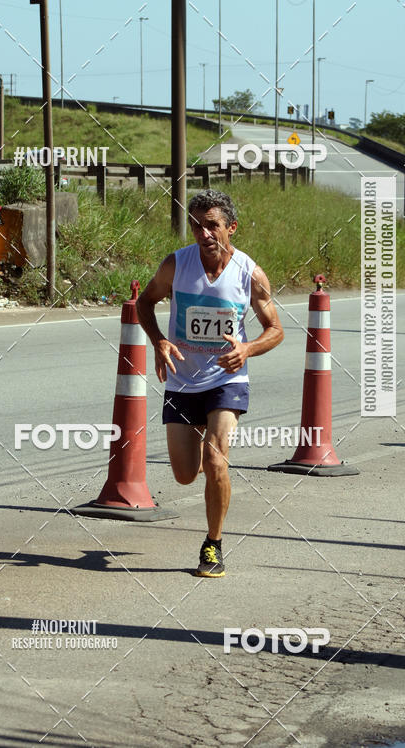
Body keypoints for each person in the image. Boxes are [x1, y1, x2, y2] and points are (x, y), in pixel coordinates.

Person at [136, 189, 284, 577]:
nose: (204, 233)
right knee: (185, 474)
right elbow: (144, 302)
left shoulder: (249, 273)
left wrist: (247, 350)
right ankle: (202, 437)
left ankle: (213, 544)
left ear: (231, 228)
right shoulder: (176, 265)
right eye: (197, 225)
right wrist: (160, 340)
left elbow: (276, 329)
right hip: (183, 381)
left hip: (226, 379)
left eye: (212, 225)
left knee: (217, 460)